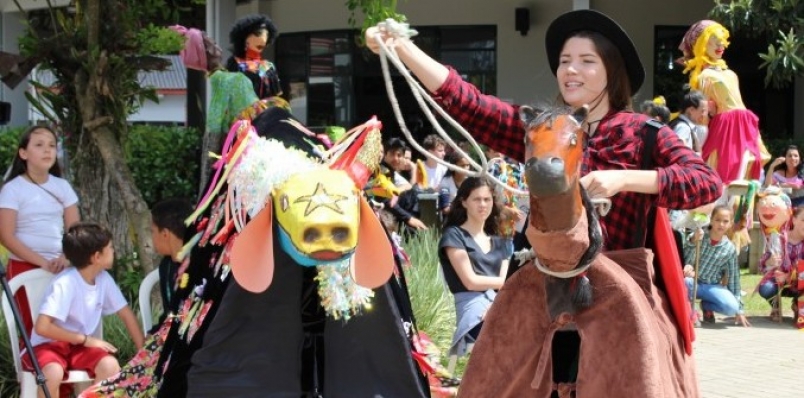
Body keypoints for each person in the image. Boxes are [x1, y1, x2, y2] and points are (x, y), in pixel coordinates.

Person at [367, 10, 719, 396]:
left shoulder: (644, 133)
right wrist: (403, 49)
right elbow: (470, 103)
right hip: (548, 294)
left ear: (612, 70)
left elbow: (706, 183)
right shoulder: (543, 130)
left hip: (624, 300)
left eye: (586, 61)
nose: (571, 70)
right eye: (565, 61)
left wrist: (625, 179)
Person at [23, 222, 144, 398]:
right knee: (53, 372)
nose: (114, 251)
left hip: (78, 347)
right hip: (48, 346)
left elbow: (126, 314)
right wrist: (85, 340)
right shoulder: (65, 283)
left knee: (110, 366)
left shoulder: (104, 279)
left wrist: (144, 353)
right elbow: (42, 327)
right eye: (110, 248)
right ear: (97, 257)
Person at [0, 125, 80, 334]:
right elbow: (6, 236)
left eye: (52, 145)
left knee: (63, 326)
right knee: (32, 328)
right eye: (39, 145)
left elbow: (74, 230)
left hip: (61, 266)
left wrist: (65, 257)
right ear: (23, 153)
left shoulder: (63, 186)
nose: (47, 150)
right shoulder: (12, 189)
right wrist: (43, 263)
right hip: (24, 267)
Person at [679, 20, 769, 185]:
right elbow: (703, 112)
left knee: (746, 169)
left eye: (722, 40)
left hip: (744, 122)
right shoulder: (705, 76)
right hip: (725, 126)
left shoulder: (730, 73)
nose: (721, 44)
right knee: (724, 171)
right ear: (703, 44)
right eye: (714, 40)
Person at [438, 177, 509, 358]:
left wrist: (497, 304)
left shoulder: (501, 241)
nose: (483, 204)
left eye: (487, 199)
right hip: (472, 310)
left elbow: (506, 283)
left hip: (501, 306)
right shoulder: (454, 235)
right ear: (464, 202)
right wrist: (505, 284)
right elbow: (470, 282)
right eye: (477, 199)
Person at [682, 205, 749, 326]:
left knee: (731, 308)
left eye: (725, 221)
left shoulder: (730, 249)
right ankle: (691, 312)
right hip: (693, 283)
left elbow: (734, 279)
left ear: (730, 223)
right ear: (711, 220)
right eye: (717, 220)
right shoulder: (699, 236)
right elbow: (686, 258)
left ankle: (707, 306)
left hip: (711, 286)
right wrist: (694, 241)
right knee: (685, 282)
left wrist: (740, 310)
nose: (721, 224)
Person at [148, 198, 194, 334]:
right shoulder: (166, 266)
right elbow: (169, 313)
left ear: (165, 234)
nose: (152, 237)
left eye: (152, 231)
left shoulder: (198, 262)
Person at [758, 205, 804, 321]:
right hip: (778, 281)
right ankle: (776, 305)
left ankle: (798, 305)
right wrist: (770, 261)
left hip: (800, 283)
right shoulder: (779, 237)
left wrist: (788, 276)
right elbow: (762, 263)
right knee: (766, 288)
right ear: (794, 220)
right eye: (803, 220)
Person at [225, 14, 283, 100]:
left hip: (265, 107)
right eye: (258, 34)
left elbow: (275, 96)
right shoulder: (235, 63)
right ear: (244, 38)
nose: (263, 39)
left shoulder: (268, 66)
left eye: (266, 34)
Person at [669, 89, 709, 153]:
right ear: (691, 110)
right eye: (702, 111)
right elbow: (677, 152)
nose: (704, 115)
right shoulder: (683, 128)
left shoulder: (681, 125)